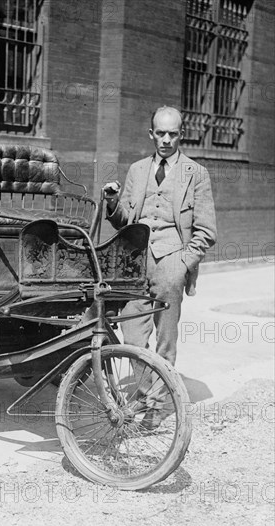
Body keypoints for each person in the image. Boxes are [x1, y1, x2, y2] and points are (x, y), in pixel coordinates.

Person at [103, 105, 217, 429]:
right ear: (151, 133)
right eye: (161, 133)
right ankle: (147, 394)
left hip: (172, 262)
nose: (166, 140)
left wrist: (183, 263)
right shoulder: (137, 170)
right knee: (131, 333)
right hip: (136, 262)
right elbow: (125, 219)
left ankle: (154, 406)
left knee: (165, 340)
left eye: (173, 133)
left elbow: (207, 230)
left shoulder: (196, 173)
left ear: (181, 134)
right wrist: (113, 203)